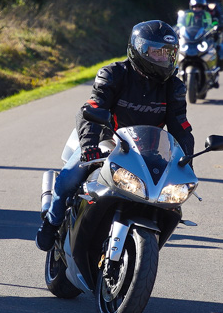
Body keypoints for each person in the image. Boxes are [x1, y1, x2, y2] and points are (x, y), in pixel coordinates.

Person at [35, 20, 194, 251]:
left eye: (168, 53)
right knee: (70, 177)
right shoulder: (112, 74)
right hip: (105, 140)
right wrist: (90, 145)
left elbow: (180, 126)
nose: (163, 59)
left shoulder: (174, 87)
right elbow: (91, 110)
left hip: (148, 150)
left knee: (167, 199)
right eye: (156, 52)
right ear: (138, 49)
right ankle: (52, 221)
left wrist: (186, 160)